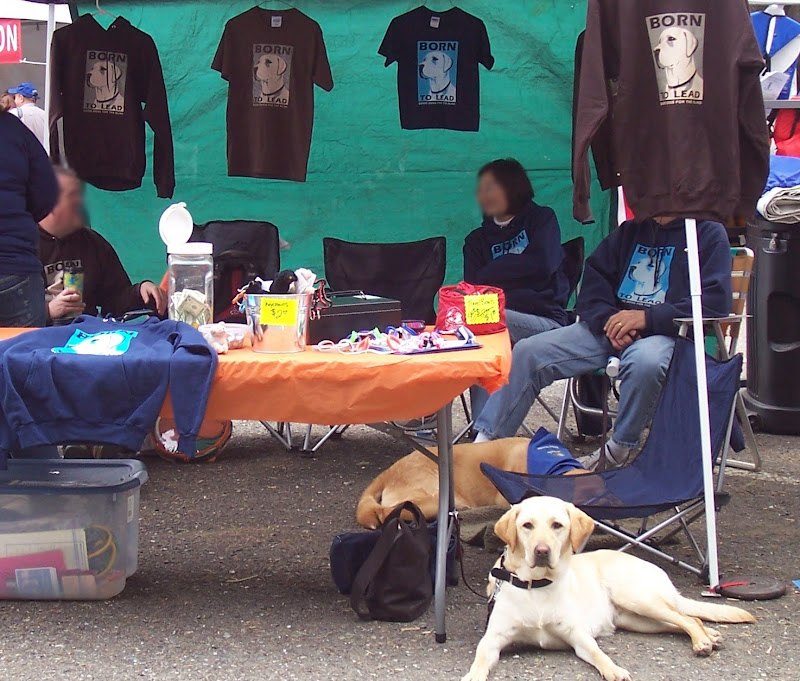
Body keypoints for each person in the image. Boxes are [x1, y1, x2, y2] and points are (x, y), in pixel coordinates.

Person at [473, 217, 733, 471]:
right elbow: (592, 290)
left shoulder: (707, 233)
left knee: (647, 362)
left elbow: (714, 303)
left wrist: (646, 318)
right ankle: (483, 447)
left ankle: (618, 448)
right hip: (608, 330)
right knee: (528, 351)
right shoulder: (630, 231)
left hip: (664, 332)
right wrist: (610, 320)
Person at [464, 158, 569, 419]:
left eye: (492, 187)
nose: (484, 195)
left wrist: (494, 272)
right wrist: (521, 267)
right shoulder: (476, 241)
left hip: (544, 321)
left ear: (513, 187)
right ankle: (481, 430)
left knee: (484, 321)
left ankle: (484, 428)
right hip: (493, 323)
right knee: (475, 323)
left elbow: (544, 263)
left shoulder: (541, 219)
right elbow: (475, 290)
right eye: (482, 189)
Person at [39, 166, 167, 323]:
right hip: (31, 341)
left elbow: (114, 300)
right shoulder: (20, 247)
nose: (80, 201)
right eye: (72, 196)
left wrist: (140, 291)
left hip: (85, 338)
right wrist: (48, 311)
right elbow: (8, 311)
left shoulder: (92, 243)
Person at [0, 95, 59, 327]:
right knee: (22, 361)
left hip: (15, 263)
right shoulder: (13, 129)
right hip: (15, 267)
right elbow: (46, 195)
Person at [8, 82, 46, 147]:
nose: (14, 100)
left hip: (23, 155)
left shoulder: (14, 113)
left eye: (15, 97)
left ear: (21, 98)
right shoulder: (45, 114)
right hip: (42, 154)